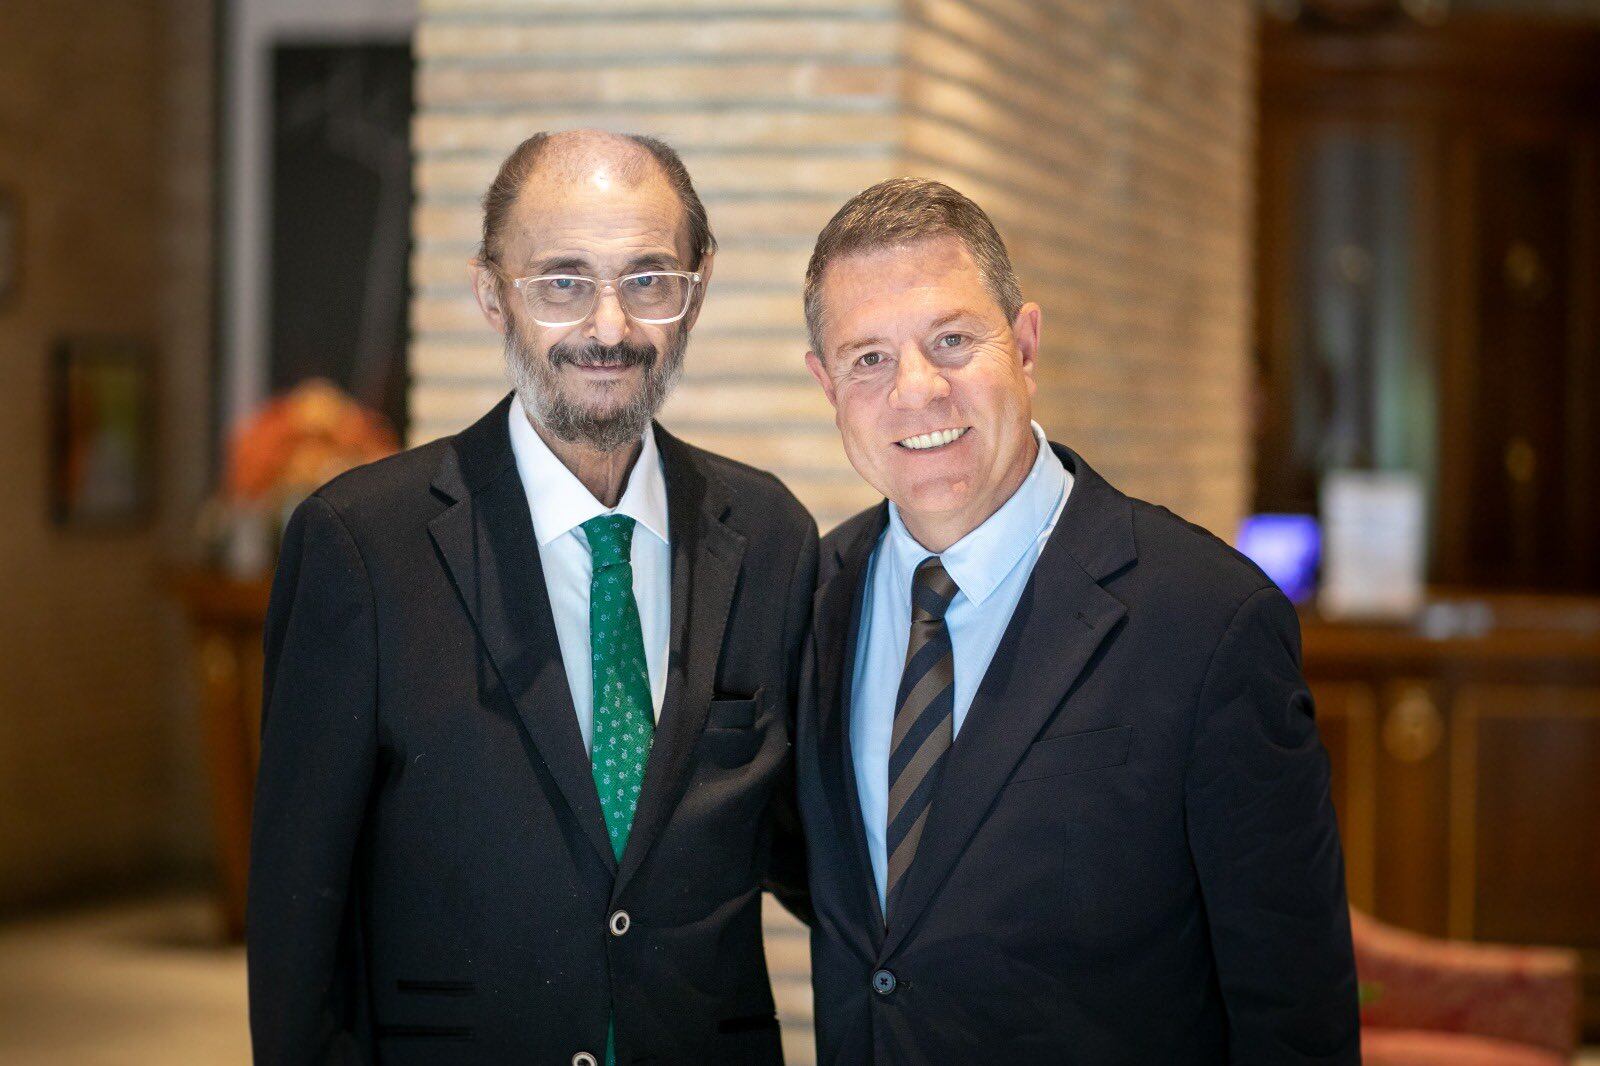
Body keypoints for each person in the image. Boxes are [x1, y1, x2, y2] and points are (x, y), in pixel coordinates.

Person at [248, 129, 815, 1066]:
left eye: (648, 279)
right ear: (490, 294)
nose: (608, 327)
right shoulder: (360, 546)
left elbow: (815, 849)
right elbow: (300, 909)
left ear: (696, 290)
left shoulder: (770, 535)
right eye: (561, 281)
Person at [796, 177, 1359, 1064]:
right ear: (826, 384)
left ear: (1024, 345)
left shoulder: (1209, 618)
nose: (917, 391)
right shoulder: (811, 597)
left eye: (951, 340)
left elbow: (1295, 1008)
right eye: (868, 358)